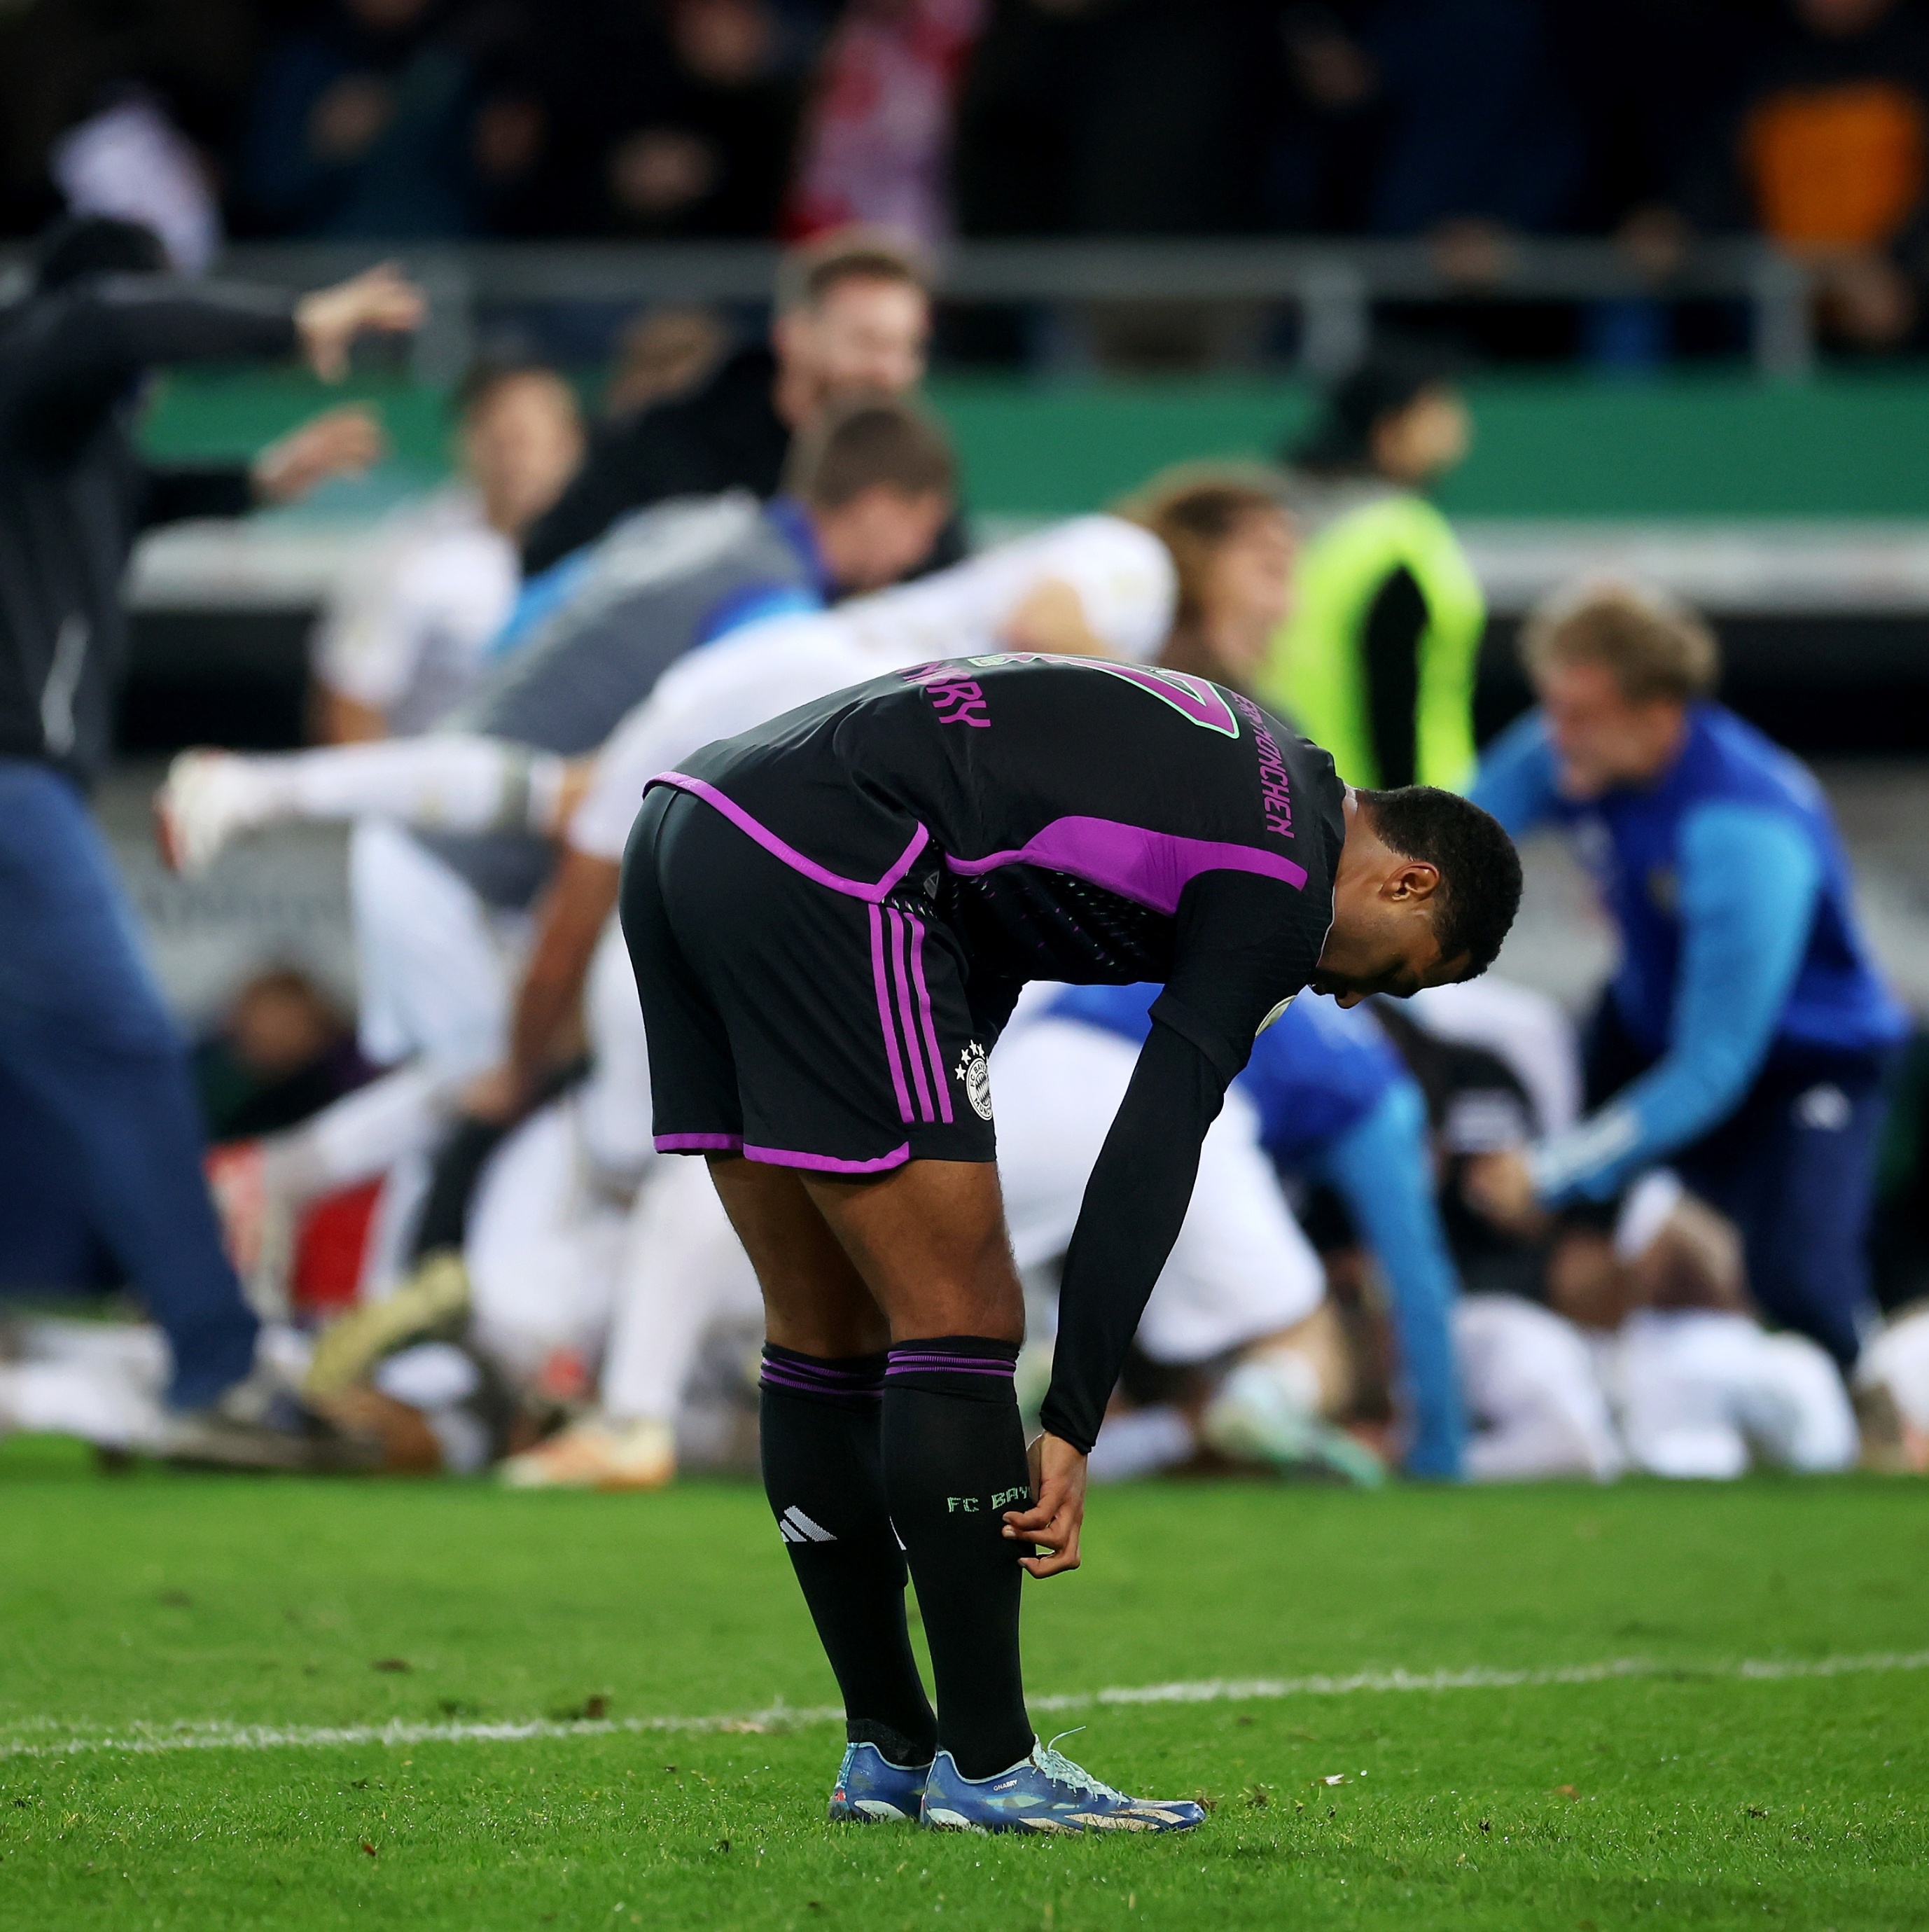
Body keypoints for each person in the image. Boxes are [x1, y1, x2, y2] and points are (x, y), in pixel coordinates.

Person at [621, 648, 1521, 1828]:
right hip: (834, 864)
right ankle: (990, 1764)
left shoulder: (1261, 760)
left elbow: (994, 881)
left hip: (693, 825)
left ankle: (889, 1753)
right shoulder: (1283, 881)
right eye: (1395, 978)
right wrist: (1074, 1417)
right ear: (1406, 882)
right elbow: (1155, 1144)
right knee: (967, 1318)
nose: (1351, 999)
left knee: (825, 1324)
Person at [0, 214, 419, 1448]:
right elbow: (111, 324)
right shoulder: (38, 355)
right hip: (11, 786)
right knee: (128, 1045)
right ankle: (214, 1363)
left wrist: (256, 482)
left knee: (89, 1057)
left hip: (29, 787)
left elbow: (131, 496)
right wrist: (297, 323)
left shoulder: (66, 447)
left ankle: (204, 1350)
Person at [1467, 581, 1908, 1369]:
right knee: (1566, 1254)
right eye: (1551, 707)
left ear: (1656, 710)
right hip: (1648, 1023)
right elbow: (1454, 835)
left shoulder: (1742, 830)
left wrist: (1554, 1168)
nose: (1553, 736)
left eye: (1578, 715)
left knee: (1798, 1283)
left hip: (1800, 1062)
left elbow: (1715, 1063)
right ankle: (1607, 1413)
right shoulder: (1568, 748)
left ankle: (1870, 1405)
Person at [520, 225, 961, 577]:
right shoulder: (666, 440)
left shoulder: (913, 472)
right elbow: (552, 571)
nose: (889, 371)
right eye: (867, 343)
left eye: (907, 348)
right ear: (794, 337)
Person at [312, 361, 583, 742]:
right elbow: (351, 701)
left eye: (531, 441)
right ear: (467, 441)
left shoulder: (615, 550)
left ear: (571, 446)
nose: (517, 461)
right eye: (502, 440)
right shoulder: (409, 555)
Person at [1257, 345, 1484, 792]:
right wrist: (1414, 830)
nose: (1459, 424)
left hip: (1303, 805)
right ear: (1389, 430)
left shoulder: (1288, 528)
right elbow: (1395, 700)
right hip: (1401, 818)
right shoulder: (1400, 538)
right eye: (1436, 408)